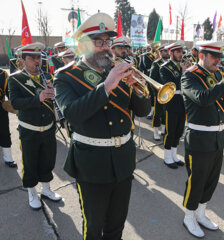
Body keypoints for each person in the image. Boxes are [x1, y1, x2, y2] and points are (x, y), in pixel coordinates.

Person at [54, 13, 151, 239]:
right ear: (82, 45)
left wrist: (138, 86)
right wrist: (106, 86)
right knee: (93, 227)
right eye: (99, 42)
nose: (106, 48)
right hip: (91, 164)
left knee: (116, 225)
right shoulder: (65, 77)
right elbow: (72, 114)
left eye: (108, 42)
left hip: (123, 160)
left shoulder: (117, 70)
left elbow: (144, 111)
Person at [181, 40, 224, 238]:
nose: (218, 61)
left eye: (220, 57)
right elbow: (202, 98)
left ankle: (200, 214)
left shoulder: (218, 75)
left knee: (211, 180)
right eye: (214, 57)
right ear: (202, 56)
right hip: (199, 137)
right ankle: (189, 216)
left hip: (218, 137)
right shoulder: (189, 76)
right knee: (197, 180)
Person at [8, 42, 61, 210]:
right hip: (29, 130)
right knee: (30, 163)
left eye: (39, 57)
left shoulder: (47, 75)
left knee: (48, 160)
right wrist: (38, 99)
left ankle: (46, 190)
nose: (37, 61)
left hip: (48, 128)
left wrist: (54, 94)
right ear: (24, 60)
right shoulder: (15, 78)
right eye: (33, 58)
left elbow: (54, 100)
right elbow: (15, 103)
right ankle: (32, 192)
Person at [160, 40, 187, 169]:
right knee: (170, 131)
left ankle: (174, 155)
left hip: (182, 102)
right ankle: (167, 157)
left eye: (181, 51)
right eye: (177, 52)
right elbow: (170, 84)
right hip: (171, 102)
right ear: (171, 53)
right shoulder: (164, 67)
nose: (180, 54)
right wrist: (184, 73)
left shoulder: (181, 66)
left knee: (178, 131)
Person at [149, 43, 169, 140]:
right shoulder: (156, 64)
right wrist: (156, 93)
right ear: (160, 53)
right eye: (165, 51)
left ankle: (163, 130)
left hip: (168, 93)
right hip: (159, 93)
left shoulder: (170, 63)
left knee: (166, 112)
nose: (167, 53)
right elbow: (152, 80)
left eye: (167, 51)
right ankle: (155, 132)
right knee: (157, 113)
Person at [0, 69, 17, 168]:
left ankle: (8, 158)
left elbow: (9, 92)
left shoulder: (2, 74)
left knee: (4, 132)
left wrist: (15, 105)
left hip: (1, 107)